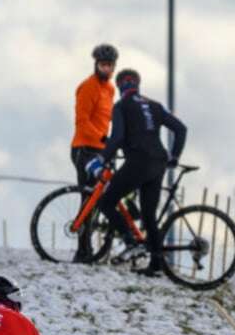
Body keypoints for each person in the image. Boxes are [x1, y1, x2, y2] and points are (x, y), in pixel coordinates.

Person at [85, 68, 187, 276]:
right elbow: (181, 129)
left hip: (138, 161)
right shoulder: (155, 105)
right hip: (158, 162)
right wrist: (174, 157)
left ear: (120, 86)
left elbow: (118, 137)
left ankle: (131, 242)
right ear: (137, 85)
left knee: (106, 201)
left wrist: (101, 159)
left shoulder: (121, 106)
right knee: (149, 213)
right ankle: (156, 264)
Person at [69, 43, 118, 262]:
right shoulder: (87, 87)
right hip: (85, 149)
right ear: (96, 64)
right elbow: (82, 121)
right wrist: (101, 137)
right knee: (88, 198)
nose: (106, 69)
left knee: (103, 197)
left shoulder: (110, 89)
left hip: (102, 150)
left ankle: (95, 248)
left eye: (110, 65)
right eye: (103, 65)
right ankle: (83, 250)